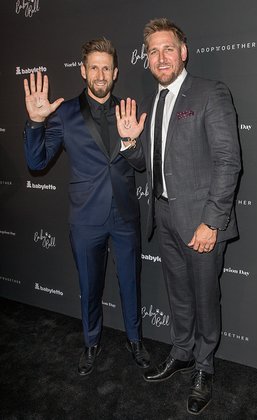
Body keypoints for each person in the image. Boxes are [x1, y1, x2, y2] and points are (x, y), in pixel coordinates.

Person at [116, 18, 241, 415]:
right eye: (152, 51)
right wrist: (129, 143)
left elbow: (227, 162)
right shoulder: (154, 102)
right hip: (165, 216)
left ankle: (204, 366)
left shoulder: (210, 93)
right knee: (179, 296)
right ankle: (183, 351)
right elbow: (149, 166)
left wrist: (212, 221)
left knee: (205, 298)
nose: (160, 56)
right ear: (147, 59)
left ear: (183, 52)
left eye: (167, 48)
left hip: (201, 220)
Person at [23, 38, 150, 376]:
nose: (100, 73)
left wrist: (130, 143)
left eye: (106, 67)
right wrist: (36, 122)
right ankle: (91, 342)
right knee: (90, 286)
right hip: (85, 218)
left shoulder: (128, 110)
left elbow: (140, 165)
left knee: (130, 283)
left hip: (125, 216)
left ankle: (135, 341)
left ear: (115, 72)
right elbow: (37, 162)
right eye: (93, 67)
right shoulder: (63, 113)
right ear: (83, 71)